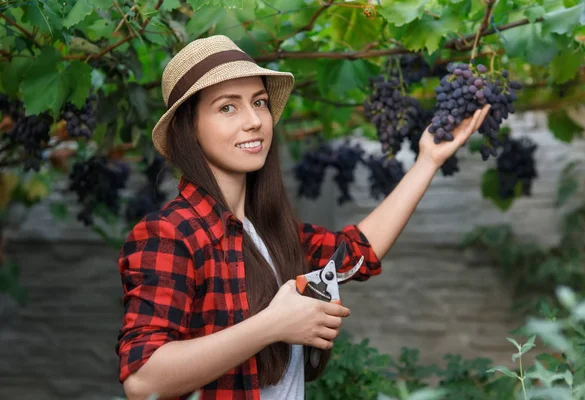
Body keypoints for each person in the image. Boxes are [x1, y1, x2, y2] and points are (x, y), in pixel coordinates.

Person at [115, 35, 490, 400]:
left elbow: (358, 252)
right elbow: (143, 378)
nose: (253, 121)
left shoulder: (270, 231)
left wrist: (428, 159)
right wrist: (272, 325)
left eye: (259, 102)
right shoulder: (169, 233)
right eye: (227, 107)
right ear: (189, 129)